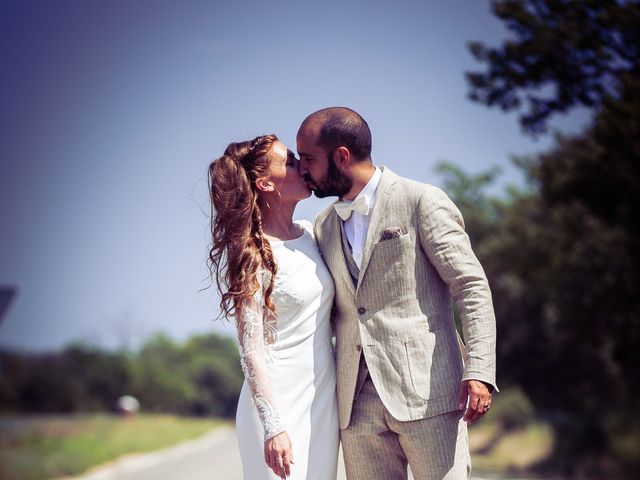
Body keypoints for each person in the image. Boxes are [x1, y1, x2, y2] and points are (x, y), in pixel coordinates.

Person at [296, 107, 498, 480]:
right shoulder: (323, 225)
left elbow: (470, 285)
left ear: (341, 156)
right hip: (355, 404)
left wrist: (481, 370)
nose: (301, 168)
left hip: (430, 394)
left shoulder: (421, 200)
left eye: (308, 158)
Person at [207, 134, 339, 479]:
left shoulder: (314, 235)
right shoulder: (252, 254)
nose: (303, 167)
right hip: (276, 405)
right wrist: (273, 426)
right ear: (265, 183)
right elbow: (251, 350)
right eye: (291, 162)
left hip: (323, 400)